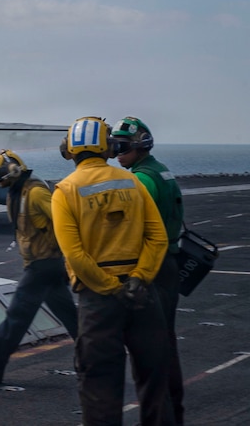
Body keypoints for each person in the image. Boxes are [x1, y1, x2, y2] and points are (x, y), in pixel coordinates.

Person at [51, 116, 174, 426]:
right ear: (107, 147)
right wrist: (138, 279)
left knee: (99, 387)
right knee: (155, 381)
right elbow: (158, 238)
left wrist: (110, 287)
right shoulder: (133, 181)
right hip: (143, 294)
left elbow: (75, 255)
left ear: (69, 150)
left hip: (98, 299)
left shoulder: (65, 191)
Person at [0, 149, 78, 383]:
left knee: (17, 315)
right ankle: (95, 357)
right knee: (70, 316)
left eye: (1, 175)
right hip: (45, 264)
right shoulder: (16, 192)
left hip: (44, 264)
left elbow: (62, 221)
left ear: (14, 169)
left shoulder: (35, 193)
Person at [112, 116, 186, 425]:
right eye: (114, 146)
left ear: (140, 145)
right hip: (170, 262)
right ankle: (174, 412)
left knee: (152, 350)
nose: (117, 152)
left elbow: (133, 227)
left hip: (153, 267)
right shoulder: (162, 172)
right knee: (165, 342)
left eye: (122, 146)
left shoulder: (141, 179)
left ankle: (163, 416)